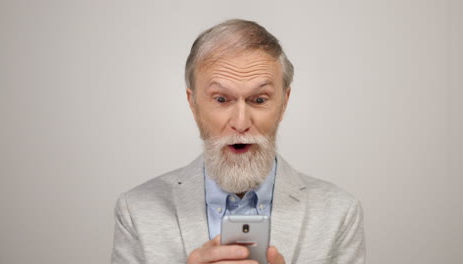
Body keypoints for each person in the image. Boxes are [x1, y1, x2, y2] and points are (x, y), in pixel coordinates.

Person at [111, 19, 365, 264]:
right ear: (193, 104)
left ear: (284, 103)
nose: (241, 123)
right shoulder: (137, 210)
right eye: (221, 99)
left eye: (259, 99)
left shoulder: (339, 212)